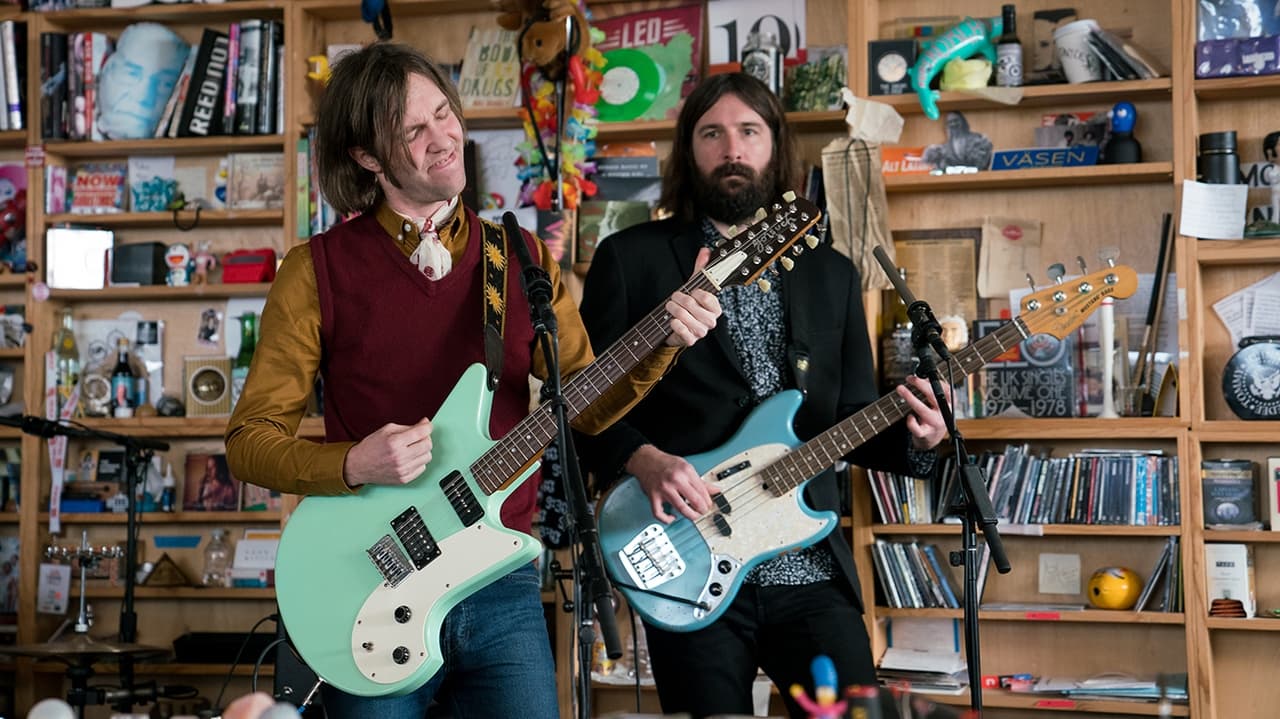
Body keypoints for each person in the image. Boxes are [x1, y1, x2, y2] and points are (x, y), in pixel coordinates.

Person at [223, 42, 720, 719]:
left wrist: (662, 339)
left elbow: (587, 404)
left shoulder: (518, 255)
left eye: (443, 114)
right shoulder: (313, 271)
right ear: (366, 157)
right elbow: (249, 441)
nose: (443, 139)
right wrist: (351, 460)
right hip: (373, 576)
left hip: (501, 578)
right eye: (412, 131)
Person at [574, 73, 949, 719]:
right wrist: (643, 458)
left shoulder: (830, 271)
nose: (731, 148)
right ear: (689, 149)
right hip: (690, 554)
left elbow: (850, 412)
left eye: (749, 131)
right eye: (711, 133)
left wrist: (919, 436)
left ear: (776, 146)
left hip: (807, 564)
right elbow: (583, 405)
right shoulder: (631, 259)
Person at [922, 110, 993, 171]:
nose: (953, 124)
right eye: (950, 122)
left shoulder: (978, 139)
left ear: (963, 122)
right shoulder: (945, 147)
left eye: (956, 120)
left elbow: (982, 163)